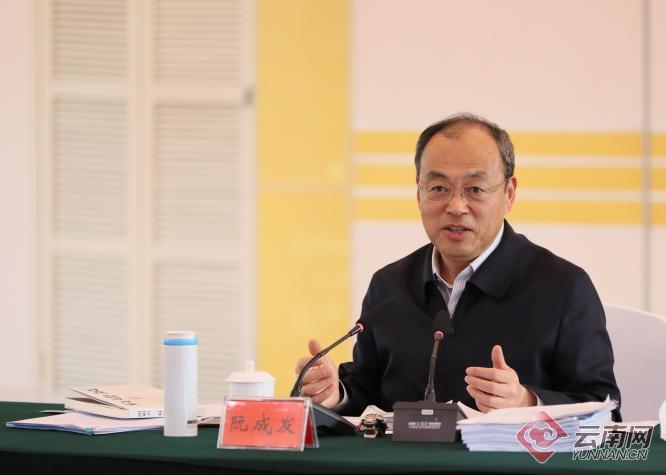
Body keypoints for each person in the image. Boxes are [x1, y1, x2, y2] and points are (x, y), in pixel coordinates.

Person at [295, 112, 620, 417]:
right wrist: (334, 395)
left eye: (475, 189)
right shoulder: (389, 286)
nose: (456, 206)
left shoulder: (563, 288)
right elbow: (366, 392)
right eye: (438, 188)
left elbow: (606, 411)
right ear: (419, 193)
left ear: (509, 194)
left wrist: (527, 402)